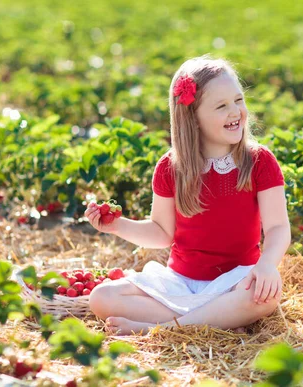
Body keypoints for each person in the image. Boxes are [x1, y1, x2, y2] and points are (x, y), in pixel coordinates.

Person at [85, 55, 291, 335]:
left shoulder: (258, 161)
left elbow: (278, 227)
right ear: (192, 119)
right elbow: (161, 233)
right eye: (221, 106)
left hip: (235, 281)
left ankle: (159, 328)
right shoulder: (171, 168)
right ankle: (217, 319)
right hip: (180, 283)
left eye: (238, 100)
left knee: (264, 295)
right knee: (101, 298)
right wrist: (118, 226)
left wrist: (266, 265)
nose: (235, 112)